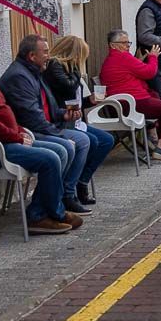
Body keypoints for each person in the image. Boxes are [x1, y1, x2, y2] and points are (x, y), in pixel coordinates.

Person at [0, 41, 80, 235]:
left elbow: (7, 116)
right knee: (52, 157)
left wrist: (19, 131)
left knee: (63, 150)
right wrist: (17, 136)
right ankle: (49, 214)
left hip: (12, 139)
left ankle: (42, 210)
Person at [0, 34, 109, 216]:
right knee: (72, 144)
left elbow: (47, 107)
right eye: (45, 52)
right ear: (32, 56)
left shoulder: (34, 73)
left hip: (46, 124)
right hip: (30, 131)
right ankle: (56, 202)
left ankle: (64, 194)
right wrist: (58, 132)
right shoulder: (21, 76)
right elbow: (33, 118)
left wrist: (63, 114)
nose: (48, 56)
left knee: (93, 140)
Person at [43, 35, 115, 206]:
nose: (82, 60)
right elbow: (68, 88)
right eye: (81, 55)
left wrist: (90, 101)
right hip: (61, 121)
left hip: (74, 120)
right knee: (91, 141)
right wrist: (77, 71)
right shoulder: (55, 66)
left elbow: (74, 99)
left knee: (107, 140)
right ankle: (70, 189)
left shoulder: (68, 69)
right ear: (73, 53)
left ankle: (82, 180)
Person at [99, 29, 161, 157]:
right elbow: (149, 72)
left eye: (128, 42)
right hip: (131, 104)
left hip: (121, 104)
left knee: (155, 95)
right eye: (124, 42)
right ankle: (160, 147)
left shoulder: (112, 58)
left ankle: (152, 134)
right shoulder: (123, 57)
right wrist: (153, 57)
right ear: (112, 45)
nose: (127, 45)